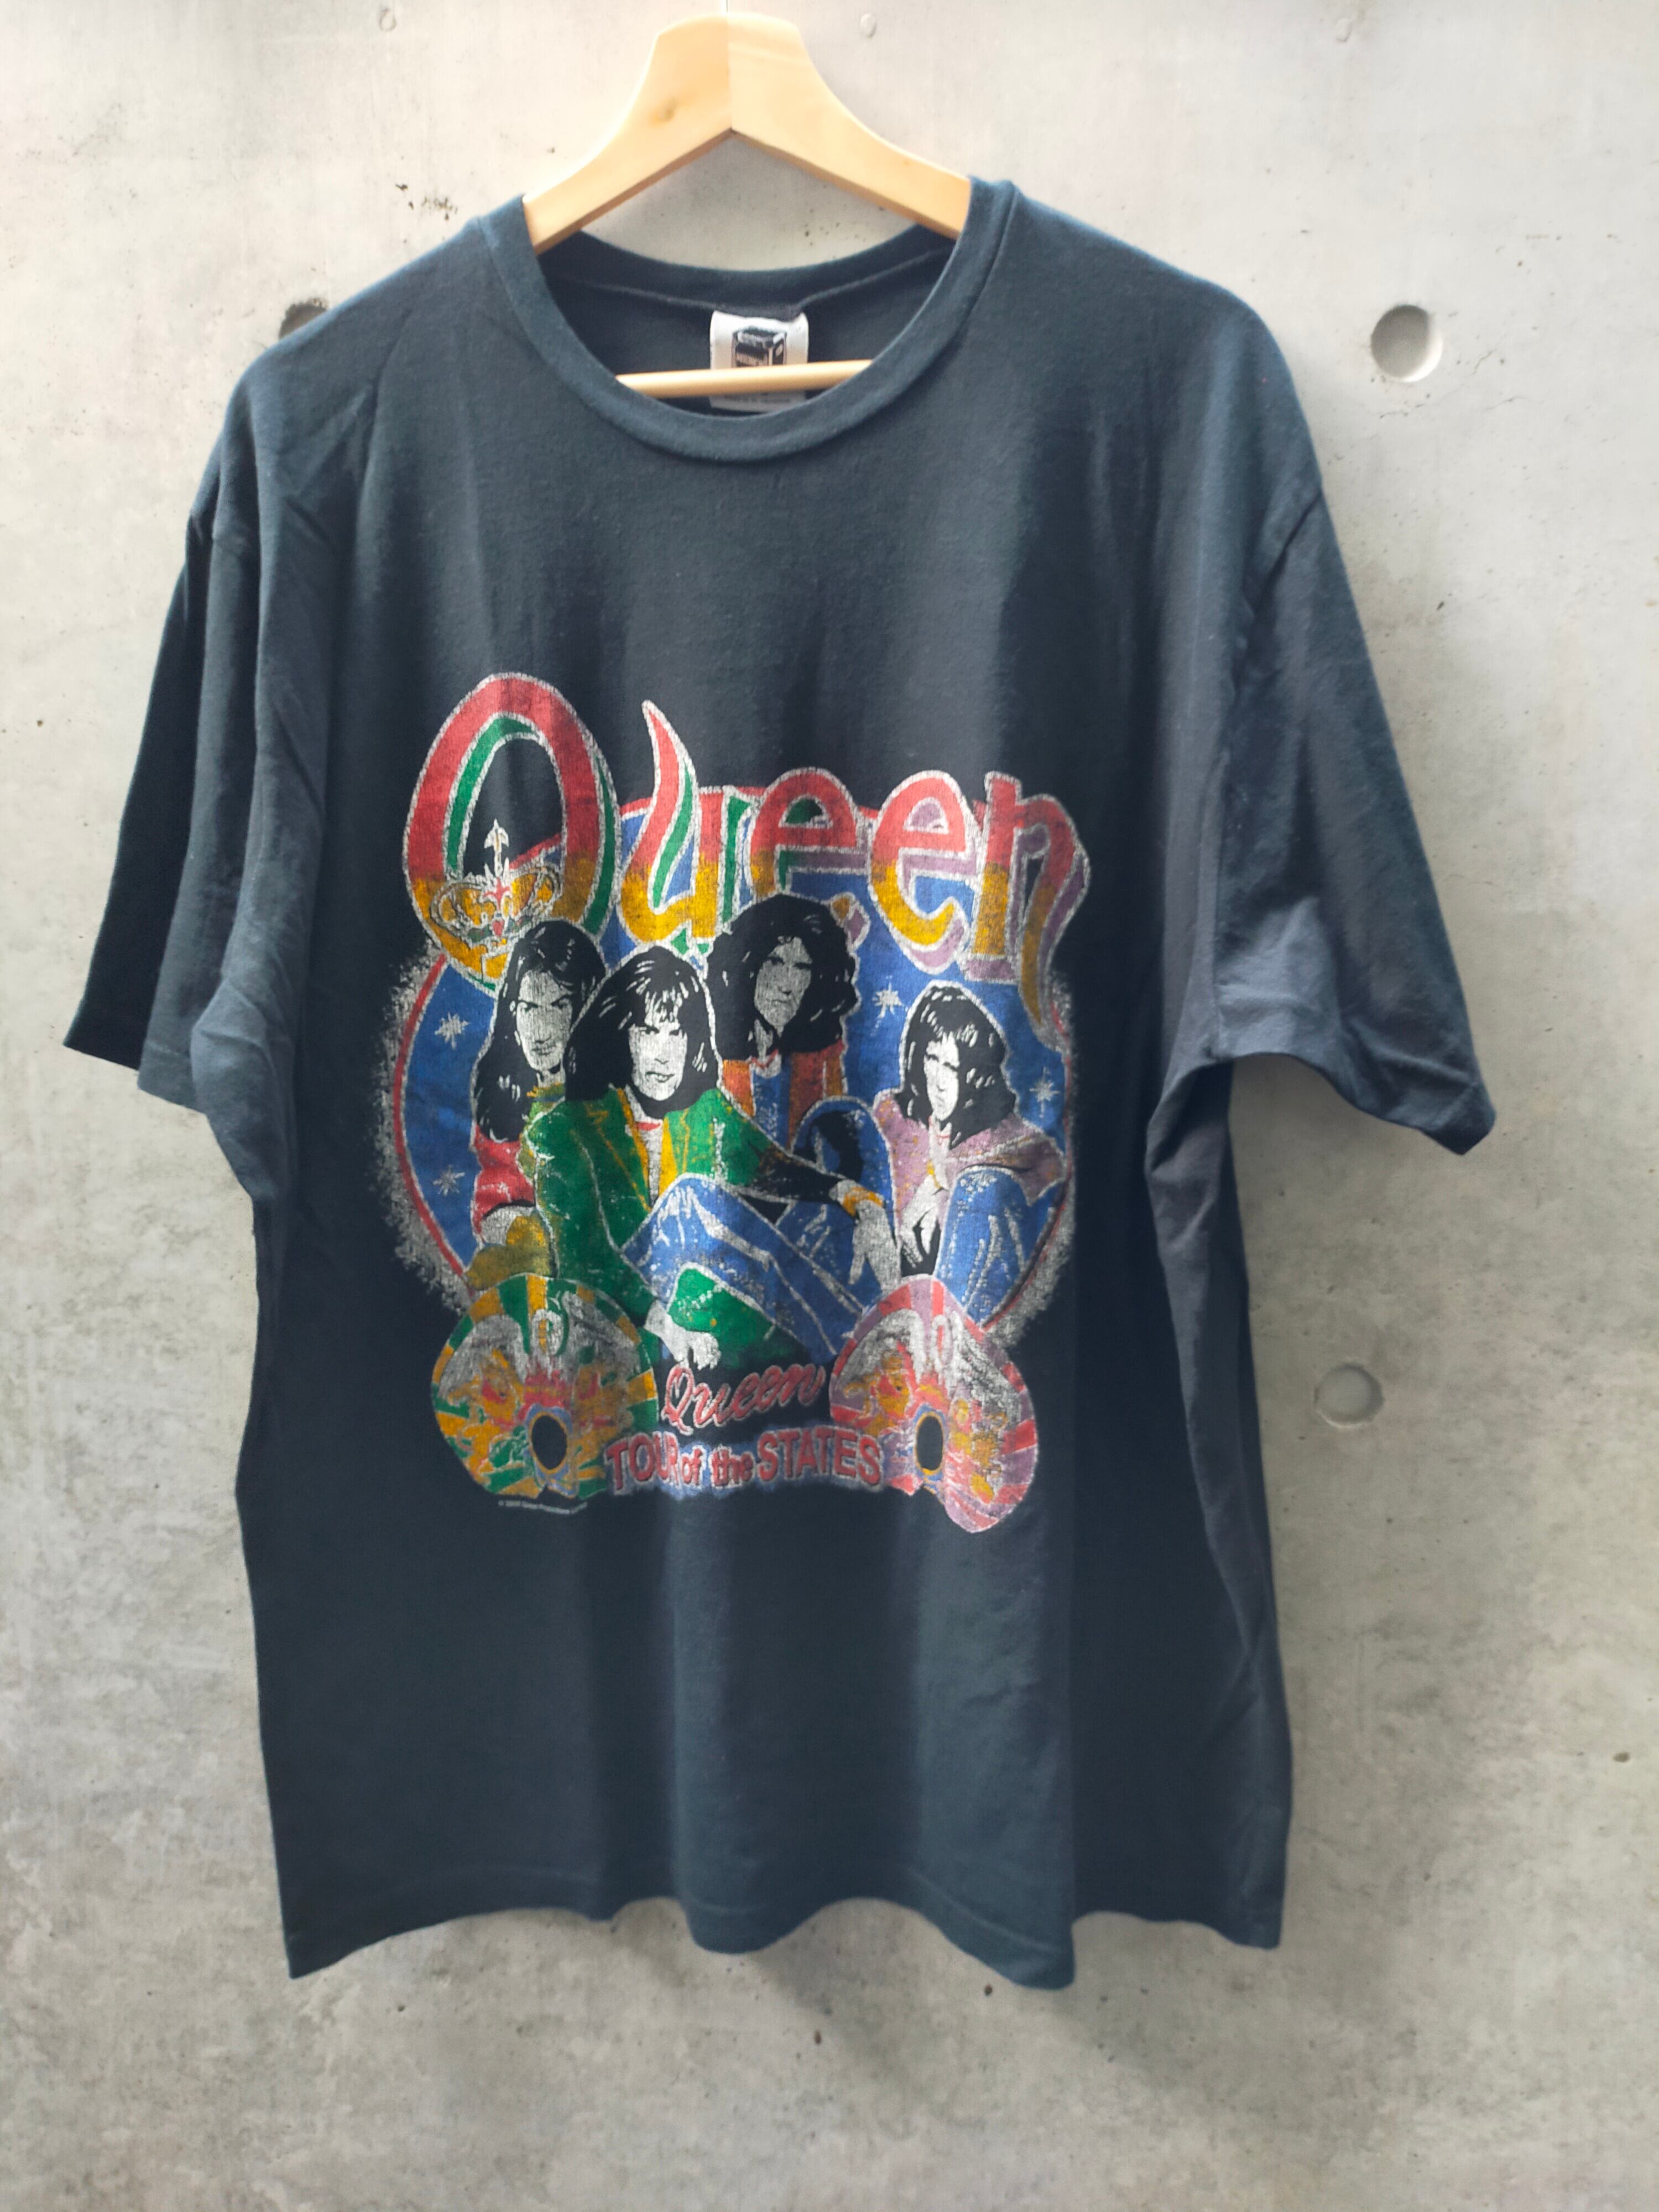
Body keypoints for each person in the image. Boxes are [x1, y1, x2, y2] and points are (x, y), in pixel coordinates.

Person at [526, 946, 897, 1372]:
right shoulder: (566, 1129)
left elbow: (767, 1166)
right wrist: (665, 1325)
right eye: (648, 1032)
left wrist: (849, 1194)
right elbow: (584, 1258)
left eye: (676, 1034)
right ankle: (848, 1346)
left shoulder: (701, 1111)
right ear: (622, 1035)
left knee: (815, 1216)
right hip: (611, 1319)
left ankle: (869, 1335)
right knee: (690, 1199)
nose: (663, 1053)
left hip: (694, 1310)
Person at [873, 983, 1065, 1323]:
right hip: (894, 1314)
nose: (940, 1081)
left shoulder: (1004, 1138)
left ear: (975, 1076)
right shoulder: (897, 1123)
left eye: (952, 1067)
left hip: (971, 1321)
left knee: (977, 1189)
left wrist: (944, 1192)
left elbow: (1050, 1178)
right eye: (932, 1059)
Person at [468, 920, 606, 1244]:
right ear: (512, 1013)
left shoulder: (610, 1103)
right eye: (529, 1008)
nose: (540, 1029)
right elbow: (488, 1215)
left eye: (559, 1006)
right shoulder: (500, 1099)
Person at [707, 894, 859, 1146]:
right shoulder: (713, 1054)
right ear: (749, 966)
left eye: (802, 968)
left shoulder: (823, 1063)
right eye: (775, 962)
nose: (787, 985)